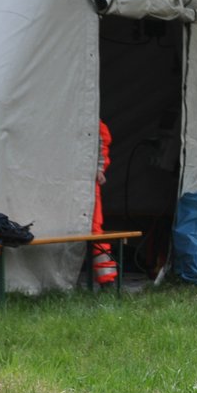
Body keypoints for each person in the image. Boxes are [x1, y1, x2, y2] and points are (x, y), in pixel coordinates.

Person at [91, 119, 117, 285]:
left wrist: (99, 169)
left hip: (86, 185)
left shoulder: (91, 118)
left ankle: (107, 279)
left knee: (94, 231)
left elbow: (102, 138)